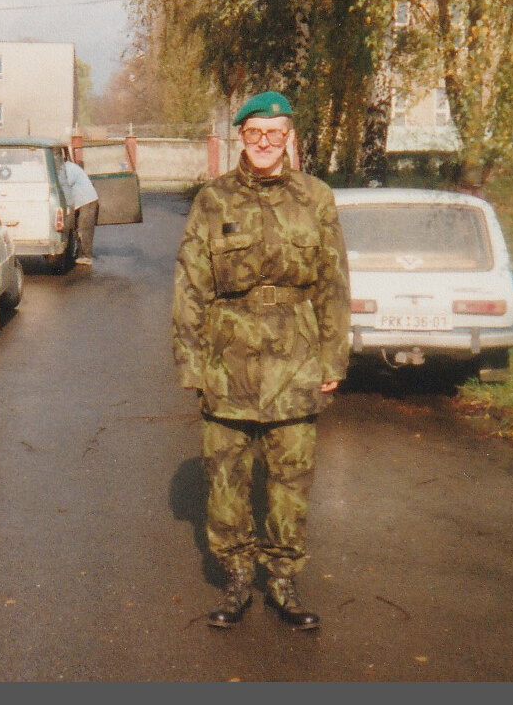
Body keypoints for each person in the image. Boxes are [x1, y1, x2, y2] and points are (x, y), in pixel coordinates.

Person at [172, 91, 350, 631]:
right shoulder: (214, 200)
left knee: (291, 479)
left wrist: (333, 360)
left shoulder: (316, 198)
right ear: (242, 139)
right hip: (228, 362)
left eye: (275, 133)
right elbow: (190, 285)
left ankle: (283, 580)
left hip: (296, 359)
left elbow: (333, 283)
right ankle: (236, 577)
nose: (266, 142)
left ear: (289, 138)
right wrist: (191, 364)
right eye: (255, 133)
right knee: (226, 477)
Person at [59, 148, 99, 267]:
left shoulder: (69, 168)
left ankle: (86, 256)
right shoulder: (64, 168)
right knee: (76, 227)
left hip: (87, 200)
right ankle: (79, 252)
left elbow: (65, 185)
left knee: (83, 228)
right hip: (79, 201)